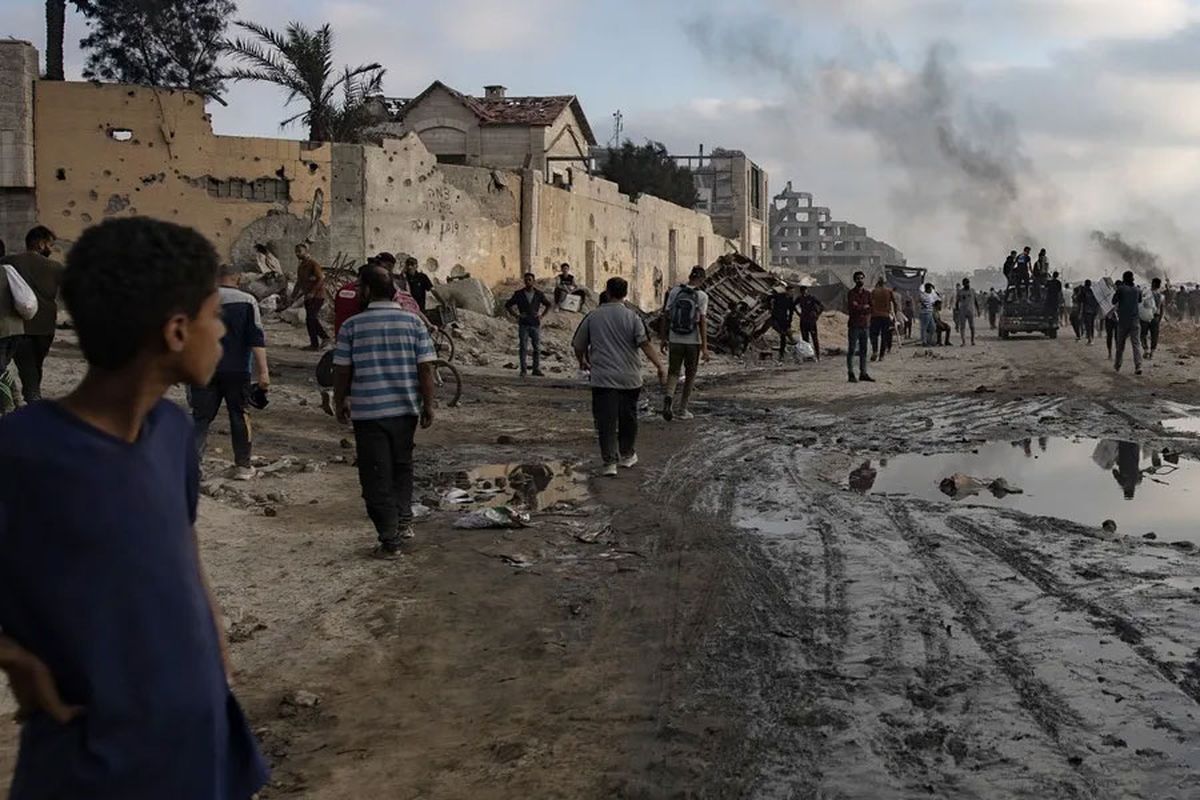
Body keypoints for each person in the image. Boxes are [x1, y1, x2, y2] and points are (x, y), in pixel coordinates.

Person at [0, 217, 268, 798]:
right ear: (176, 331)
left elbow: (183, 551)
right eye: (211, 316)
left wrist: (218, 663)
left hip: (198, 741)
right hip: (94, 765)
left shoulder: (171, 431)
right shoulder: (22, 451)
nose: (222, 331)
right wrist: (13, 655)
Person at [333, 263, 437, 557]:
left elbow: (341, 371)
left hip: (369, 413)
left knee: (376, 473)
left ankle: (390, 538)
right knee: (402, 466)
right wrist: (428, 404)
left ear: (366, 290)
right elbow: (426, 368)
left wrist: (339, 400)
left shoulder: (352, 326)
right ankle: (403, 522)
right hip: (405, 411)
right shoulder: (414, 323)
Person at [572, 277, 667, 477]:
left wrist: (583, 361)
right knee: (628, 418)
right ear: (625, 293)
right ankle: (627, 454)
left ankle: (609, 463)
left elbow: (578, 345)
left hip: (603, 379)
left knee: (606, 421)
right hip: (629, 378)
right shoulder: (633, 318)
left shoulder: (593, 316)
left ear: (607, 291)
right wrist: (659, 366)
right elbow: (645, 344)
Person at [190, 264, 270, 479]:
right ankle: (243, 467)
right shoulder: (247, 301)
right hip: (237, 370)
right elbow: (256, 338)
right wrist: (263, 373)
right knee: (239, 415)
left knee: (200, 418)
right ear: (238, 278)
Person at [4, 226, 64, 403]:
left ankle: (31, 398)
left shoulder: (7, 262)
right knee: (34, 367)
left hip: (18, 327)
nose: (51, 249)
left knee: (28, 367)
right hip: (45, 329)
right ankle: (33, 398)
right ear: (41, 244)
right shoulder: (55, 267)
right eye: (50, 245)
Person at [662, 265, 710, 420]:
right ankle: (682, 409)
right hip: (692, 341)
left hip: (674, 338)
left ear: (690, 276)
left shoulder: (675, 291)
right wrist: (704, 347)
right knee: (690, 374)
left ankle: (668, 398)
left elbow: (666, 315)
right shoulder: (702, 296)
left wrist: (664, 338)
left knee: (673, 372)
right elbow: (702, 321)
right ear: (701, 279)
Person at [505, 273, 551, 377]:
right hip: (524, 324)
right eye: (526, 280)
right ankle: (523, 370)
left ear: (533, 281)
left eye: (530, 280)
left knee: (537, 348)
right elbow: (508, 305)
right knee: (523, 347)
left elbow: (548, 304)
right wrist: (517, 315)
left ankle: (536, 369)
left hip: (535, 323)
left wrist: (542, 315)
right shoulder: (519, 294)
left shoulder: (539, 294)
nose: (528, 282)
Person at [292, 242, 327, 350]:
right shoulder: (301, 266)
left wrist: (313, 292)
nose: (297, 254)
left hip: (317, 296)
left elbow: (321, 278)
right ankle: (314, 343)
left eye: (299, 251)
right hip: (308, 296)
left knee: (311, 318)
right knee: (309, 320)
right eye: (296, 252)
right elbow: (299, 281)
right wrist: (293, 294)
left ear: (306, 252)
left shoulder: (313, 264)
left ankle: (325, 338)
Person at [1112, 271, 1143, 374]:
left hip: (1123, 321)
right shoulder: (1137, 290)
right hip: (1135, 320)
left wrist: (1117, 291)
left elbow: (1113, 301)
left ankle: (1117, 365)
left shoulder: (1121, 289)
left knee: (1120, 345)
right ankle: (1138, 366)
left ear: (1124, 279)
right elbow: (1139, 301)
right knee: (1136, 344)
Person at [846, 271, 873, 383]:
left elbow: (871, 307)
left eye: (861, 278)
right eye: (858, 278)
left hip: (864, 325)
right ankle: (851, 373)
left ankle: (863, 373)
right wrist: (864, 307)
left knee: (864, 350)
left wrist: (860, 307)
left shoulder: (867, 293)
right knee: (852, 350)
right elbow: (853, 308)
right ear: (854, 280)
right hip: (854, 325)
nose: (860, 280)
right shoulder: (851, 293)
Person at [868, 277, 898, 362]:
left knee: (873, 335)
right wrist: (894, 314)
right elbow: (895, 303)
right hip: (885, 316)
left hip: (875, 316)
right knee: (885, 336)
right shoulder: (889, 291)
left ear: (877, 283)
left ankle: (875, 351)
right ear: (884, 283)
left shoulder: (874, 291)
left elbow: (870, 303)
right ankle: (881, 355)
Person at [796, 285, 824, 360]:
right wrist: (798, 313)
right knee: (805, 339)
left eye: (805, 290)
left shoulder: (811, 298)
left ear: (807, 290)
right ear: (800, 292)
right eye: (802, 291)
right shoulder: (800, 298)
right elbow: (794, 305)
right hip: (803, 320)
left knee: (814, 338)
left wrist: (817, 315)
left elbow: (822, 306)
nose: (804, 292)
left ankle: (818, 355)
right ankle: (808, 355)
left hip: (811, 320)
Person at [769, 285, 796, 360]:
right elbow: (770, 298)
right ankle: (782, 352)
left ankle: (782, 353)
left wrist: (789, 321)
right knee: (782, 333)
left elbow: (791, 311)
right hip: (776, 317)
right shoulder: (779, 296)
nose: (792, 293)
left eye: (793, 292)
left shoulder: (790, 300)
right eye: (791, 292)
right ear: (787, 291)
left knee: (784, 336)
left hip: (784, 319)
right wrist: (771, 307)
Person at [1140, 277, 1164, 360]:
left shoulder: (1147, 293)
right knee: (1154, 335)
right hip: (1156, 317)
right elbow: (1162, 309)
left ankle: (1146, 349)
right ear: (1159, 285)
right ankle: (1152, 352)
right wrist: (1160, 318)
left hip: (1145, 316)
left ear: (1153, 283)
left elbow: (1141, 304)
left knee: (1143, 334)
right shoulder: (1161, 296)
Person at [954, 278, 980, 346]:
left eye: (968, 283)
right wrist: (957, 310)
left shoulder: (972, 291)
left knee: (972, 326)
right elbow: (957, 302)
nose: (967, 284)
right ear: (963, 284)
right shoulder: (960, 292)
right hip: (962, 311)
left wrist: (978, 310)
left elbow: (976, 301)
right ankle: (963, 341)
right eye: (965, 283)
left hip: (971, 311)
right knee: (962, 327)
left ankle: (972, 340)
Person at [1081, 279, 1100, 344]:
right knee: (1091, 325)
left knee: (1088, 325)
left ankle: (1090, 338)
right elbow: (1097, 302)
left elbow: (1080, 300)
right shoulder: (1093, 292)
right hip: (1093, 311)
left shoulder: (1084, 291)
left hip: (1087, 310)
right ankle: (1091, 337)